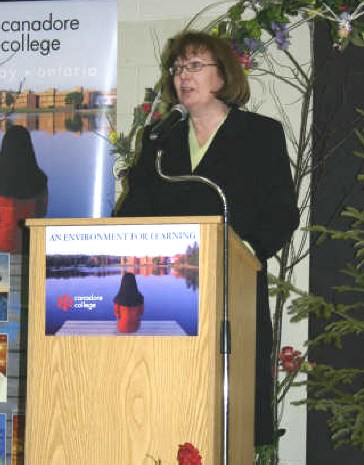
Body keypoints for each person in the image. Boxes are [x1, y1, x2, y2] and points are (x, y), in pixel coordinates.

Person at [116, 30, 300, 446]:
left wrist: (247, 252)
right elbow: (133, 210)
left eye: (195, 66)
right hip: (166, 288)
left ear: (224, 76)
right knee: (167, 403)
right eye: (178, 67)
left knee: (225, 413)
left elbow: (281, 210)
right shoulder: (160, 139)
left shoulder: (259, 134)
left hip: (229, 288)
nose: (184, 75)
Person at [0, 125, 48, 253]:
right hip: (29, 241)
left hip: (3, 243)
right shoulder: (39, 179)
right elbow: (41, 211)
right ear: (29, 147)